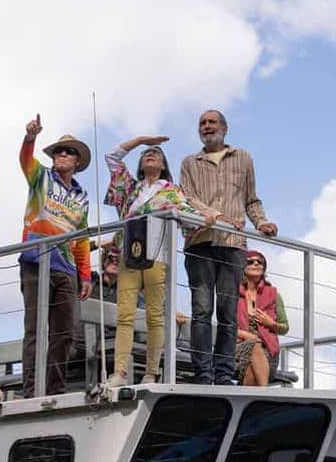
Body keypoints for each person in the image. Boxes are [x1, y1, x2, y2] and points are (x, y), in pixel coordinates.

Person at [180, 110, 278, 385]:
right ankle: (203, 373)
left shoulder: (243, 157)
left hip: (233, 245)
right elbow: (187, 198)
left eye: (212, 122)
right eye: (202, 123)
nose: (207, 127)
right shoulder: (190, 162)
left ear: (224, 128)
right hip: (200, 242)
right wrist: (217, 216)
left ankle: (223, 374)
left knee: (227, 313)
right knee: (201, 310)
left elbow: (251, 200)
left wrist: (262, 222)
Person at [104, 135, 197, 386]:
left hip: (157, 255)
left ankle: (151, 372)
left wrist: (210, 215)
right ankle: (120, 372)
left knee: (155, 315)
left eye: (155, 153)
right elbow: (111, 157)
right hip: (129, 254)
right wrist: (143, 141)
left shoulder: (172, 191)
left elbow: (190, 216)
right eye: (146, 153)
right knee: (125, 315)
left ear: (164, 163)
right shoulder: (130, 189)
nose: (150, 154)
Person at [18, 113, 93, 398]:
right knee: (35, 331)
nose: (62, 154)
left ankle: (54, 390)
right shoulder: (41, 177)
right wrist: (30, 137)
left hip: (66, 268)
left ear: (77, 162)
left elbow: (82, 238)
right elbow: (25, 160)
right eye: (59, 151)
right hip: (36, 262)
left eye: (69, 152)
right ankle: (31, 392)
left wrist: (85, 275)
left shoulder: (82, 197)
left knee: (65, 334)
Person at [235, 250, 289, 386]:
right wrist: (247, 335)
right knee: (254, 344)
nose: (256, 264)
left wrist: (271, 324)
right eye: (251, 261)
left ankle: (252, 401)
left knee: (251, 373)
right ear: (242, 266)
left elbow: (285, 327)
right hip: (238, 346)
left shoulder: (273, 294)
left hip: (268, 351)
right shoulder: (233, 293)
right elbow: (226, 325)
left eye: (260, 262)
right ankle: (264, 396)